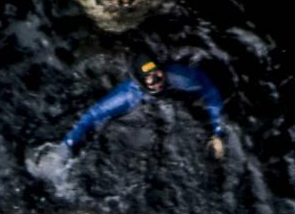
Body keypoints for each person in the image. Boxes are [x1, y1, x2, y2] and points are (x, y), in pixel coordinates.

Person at [61, 54, 226, 158]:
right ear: (141, 83)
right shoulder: (128, 95)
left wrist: (218, 131)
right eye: (151, 79)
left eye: (158, 74)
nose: (158, 80)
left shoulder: (178, 77)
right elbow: (91, 116)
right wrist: (67, 144)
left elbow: (209, 90)